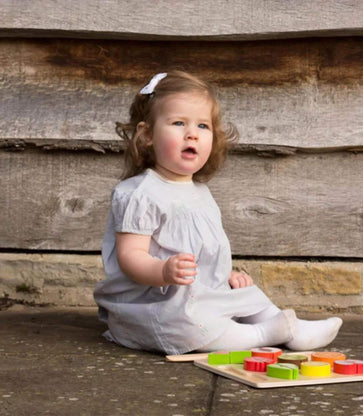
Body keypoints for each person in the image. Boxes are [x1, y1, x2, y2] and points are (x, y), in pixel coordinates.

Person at [94, 71, 342, 355]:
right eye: (178, 123)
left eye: (203, 125)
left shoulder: (201, 194)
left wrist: (224, 275)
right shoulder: (140, 194)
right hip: (153, 302)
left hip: (197, 292)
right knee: (188, 324)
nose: (192, 133)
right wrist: (163, 270)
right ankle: (263, 334)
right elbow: (130, 257)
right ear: (148, 134)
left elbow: (204, 252)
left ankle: (290, 327)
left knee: (247, 294)